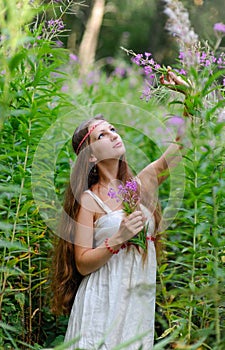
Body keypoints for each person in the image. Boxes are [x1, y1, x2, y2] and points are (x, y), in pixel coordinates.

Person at [51, 71, 189, 349]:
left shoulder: (142, 184)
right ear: (90, 155)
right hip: (102, 302)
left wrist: (189, 97)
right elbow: (82, 263)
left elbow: (181, 146)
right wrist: (118, 238)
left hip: (136, 304)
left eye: (113, 129)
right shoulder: (90, 200)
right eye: (102, 134)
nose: (113, 135)